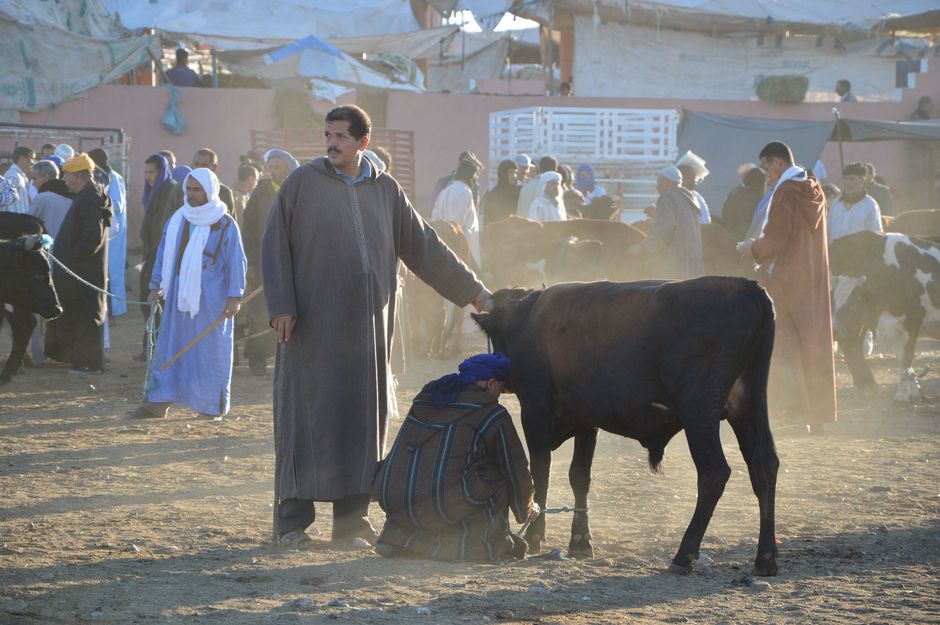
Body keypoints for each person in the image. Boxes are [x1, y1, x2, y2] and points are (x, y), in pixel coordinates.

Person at [261, 104, 490, 547]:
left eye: (341, 137)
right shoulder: (301, 184)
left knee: (360, 420)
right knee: (306, 416)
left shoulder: (385, 189)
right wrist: (282, 306)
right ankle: (292, 522)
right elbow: (274, 247)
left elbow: (424, 246)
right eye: (327, 135)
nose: (331, 143)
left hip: (368, 333)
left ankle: (351, 521)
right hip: (311, 328)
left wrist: (475, 292)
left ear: (363, 142)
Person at [374, 353, 538, 562]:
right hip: (440, 507)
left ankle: (398, 540)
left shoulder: (428, 396)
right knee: (496, 476)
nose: (498, 395)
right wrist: (527, 506)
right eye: (500, 389)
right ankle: (483, 545)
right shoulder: (492, 414)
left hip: (394, 497)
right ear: (491, 383)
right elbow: (515, 467)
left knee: (420, 470)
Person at [128, 168, 246, 419]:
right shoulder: (178, 219)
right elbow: (162, 255)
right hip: (176, 298)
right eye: (189, 189)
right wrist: (156, 285)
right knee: (170, 347)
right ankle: (158, 402)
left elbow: (236, 262)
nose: (191, 195)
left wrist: (235, 297)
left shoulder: (225, 224)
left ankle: (209, 406)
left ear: (210, 191)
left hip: (212, 301)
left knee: (208, 352)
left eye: (197, 190)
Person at [738, 141, 836, 434]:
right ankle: (815, 416)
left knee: (780, 346)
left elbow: (776, 239)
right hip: (811, 279)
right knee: (812, 343)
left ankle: (785, 412)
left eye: (767, 168)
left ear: (778, 163)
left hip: (785, 281)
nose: (766, 175)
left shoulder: (785, 192)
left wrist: (752, 247)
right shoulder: (813, 187)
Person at [44, 153, 112, 373]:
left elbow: (92, 237)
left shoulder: (91, 197)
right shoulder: (89, 194)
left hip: (84, 271)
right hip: (80, 270)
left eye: (67, 176)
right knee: (79, 312)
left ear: (79, 176)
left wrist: (73, 258)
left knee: (87, 313)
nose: (64, 181)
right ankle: (81, 360)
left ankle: (89, 363)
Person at [242, 148, 300, 376]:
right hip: (265, 260)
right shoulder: (261, 192)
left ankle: (287, 357)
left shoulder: (298, 189)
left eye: (278, 167)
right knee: (261, 311)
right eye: (271, 167)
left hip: (293, 263)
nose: (273, 171)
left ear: (288, 167)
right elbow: (249, 229)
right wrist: (253, 264)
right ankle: (257, 357)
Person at [137, 154, 180, 360]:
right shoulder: (154, 192)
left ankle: (155, 349)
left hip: (162, 255)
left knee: (157, 302)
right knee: (148, 301)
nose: (148, 177)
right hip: (151, 254)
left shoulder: (170, 190)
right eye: (145, 173)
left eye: (152, 172)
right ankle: (149, 347)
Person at [627, 166, 703, 280]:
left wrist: (641, 248)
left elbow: (663, 233)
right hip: (692, 269)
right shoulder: (690, 199)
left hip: (673, 270)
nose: (658, 189)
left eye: (659, 185)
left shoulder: (668, 197)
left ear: (667, 183)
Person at [88, 149, 128, 320]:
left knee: (112, 273)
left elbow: (117, 205)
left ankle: (113, 311)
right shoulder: (104, 177)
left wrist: (100, 204)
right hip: (107, 230)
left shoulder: (113, 178)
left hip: (114, 232)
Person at [432, 158, 482, 264]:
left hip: (442, 250)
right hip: (462, 253)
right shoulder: (465, 193)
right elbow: (456, 227)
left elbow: (434, 219)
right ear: (471, 178)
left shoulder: (444, 192)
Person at [170, 149, 236, 218]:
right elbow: (168, 221)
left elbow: (230, 222)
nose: (199, 168)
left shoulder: (224, 193)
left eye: (204, 165)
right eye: (196, 164)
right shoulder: (179, 189)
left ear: (214, 167)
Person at [828, 162, 884, 242]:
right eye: (845, 178)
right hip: (834, 252)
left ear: (862, 180)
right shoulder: (835, 203)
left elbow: (877, 235)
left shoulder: (870, 205)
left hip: (859, 254)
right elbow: (827, 232)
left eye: (852, 179)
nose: (847, 183)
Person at [427, 151, 483, 218]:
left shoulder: (443, 184)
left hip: (440, 226)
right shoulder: (469, 190)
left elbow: (432, 210)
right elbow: (474, 212)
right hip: (458, 227)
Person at [721, 166, 765, 241]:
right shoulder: (758, 198)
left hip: (730, 236)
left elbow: (725, 214)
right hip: (748, 239)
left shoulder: (734, 192)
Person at [480, 159, 519, 226]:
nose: (514, 176)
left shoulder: (518, 191)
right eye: (511, 172)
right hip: (498, 232)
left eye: (515, 172)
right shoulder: (494, 194)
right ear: (503, 173)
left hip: (515, 232)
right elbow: (488, 218)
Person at [675, 151, 711, 224]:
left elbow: (705, 222)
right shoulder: (673, 196)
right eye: (691, 178)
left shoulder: (697, 197)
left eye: (694, 179)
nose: (694, 182)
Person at [3, 146, 34, 214]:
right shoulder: (12, 176)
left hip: (20, 221)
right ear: (22, 158)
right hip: (14, 222)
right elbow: (7, 204)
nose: (33, 162)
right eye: (31, 158)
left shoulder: (20, 176)